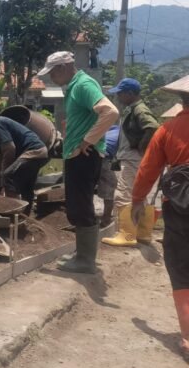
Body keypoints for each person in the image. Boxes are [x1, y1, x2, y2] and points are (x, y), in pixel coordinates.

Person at [37, 51, 118, 274]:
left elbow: (110, 112)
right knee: (78, 204)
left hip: (84, 156)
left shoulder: (83, 85)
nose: (51, 78)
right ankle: (82, 254)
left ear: (62, 68)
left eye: (52, 73)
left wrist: (87, 140)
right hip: (79, 155)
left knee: (81, 206)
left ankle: (85, 260)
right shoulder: (75, 86)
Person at [131, 75, 189, 360]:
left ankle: (188, 337)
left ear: (181, 100)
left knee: (180, 268)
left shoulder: (167, 130)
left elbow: (148, 169)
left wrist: (137, 200)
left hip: (179, 208)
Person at [102, 78, 160, 247]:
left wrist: (141, 146)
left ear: (130, 93)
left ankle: (126, 235)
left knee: (123, 194)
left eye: (120, 93)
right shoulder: (136, 109)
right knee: (141, 195)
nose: (118, 97)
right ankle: (143, 234)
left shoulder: (139, 109)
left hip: (132, 158)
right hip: (135, 158)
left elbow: (153, 126)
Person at [0, 115, 49, 215]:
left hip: (33, 151)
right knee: (26, 188)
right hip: (40, 152)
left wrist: (3, 176)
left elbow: (10, 149)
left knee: (8, 176)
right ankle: (25, 217)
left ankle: (13, 213)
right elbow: (1, 157)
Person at [96, 125, 120, 228]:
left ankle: (86, 217)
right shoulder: (126, 137)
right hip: (103, 156)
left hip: (93, 151)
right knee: (110, 188)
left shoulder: (115, 128)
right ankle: (106, 220)